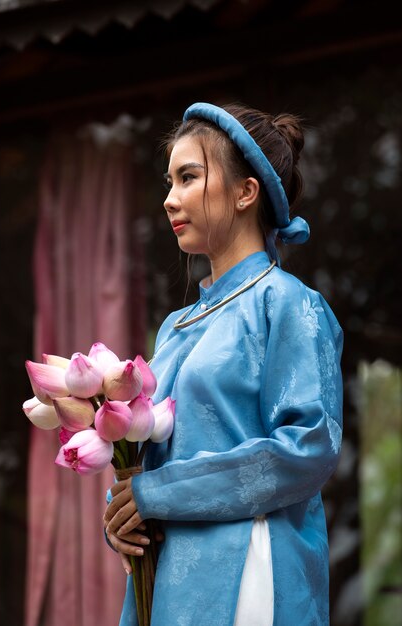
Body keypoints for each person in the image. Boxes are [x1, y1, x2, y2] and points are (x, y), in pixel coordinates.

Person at [104, 101, 343, 626]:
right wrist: (120, 512)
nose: (170, 200)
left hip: (249, 571)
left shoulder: (289, 305)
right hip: (164, 579)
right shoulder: (174, 327)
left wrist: (155, 493)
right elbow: (151, 456)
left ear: (245, 192)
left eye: (188, 177)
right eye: (169, 181)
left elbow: (309, 447)